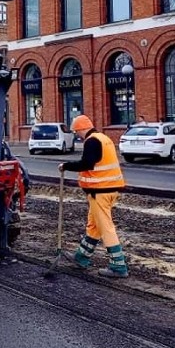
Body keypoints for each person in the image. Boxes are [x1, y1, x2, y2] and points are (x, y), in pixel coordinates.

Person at [59, 114, 129, 278]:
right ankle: (81, 257)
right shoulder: (103, 138)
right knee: (94, 225)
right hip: (109, 189)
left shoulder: (92, 141)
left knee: (106, 227)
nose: (77, 135)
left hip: (100, 191)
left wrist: (65, 166)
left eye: (77, 132)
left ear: (83, 128)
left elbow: (87, 164)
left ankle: (118, 267)